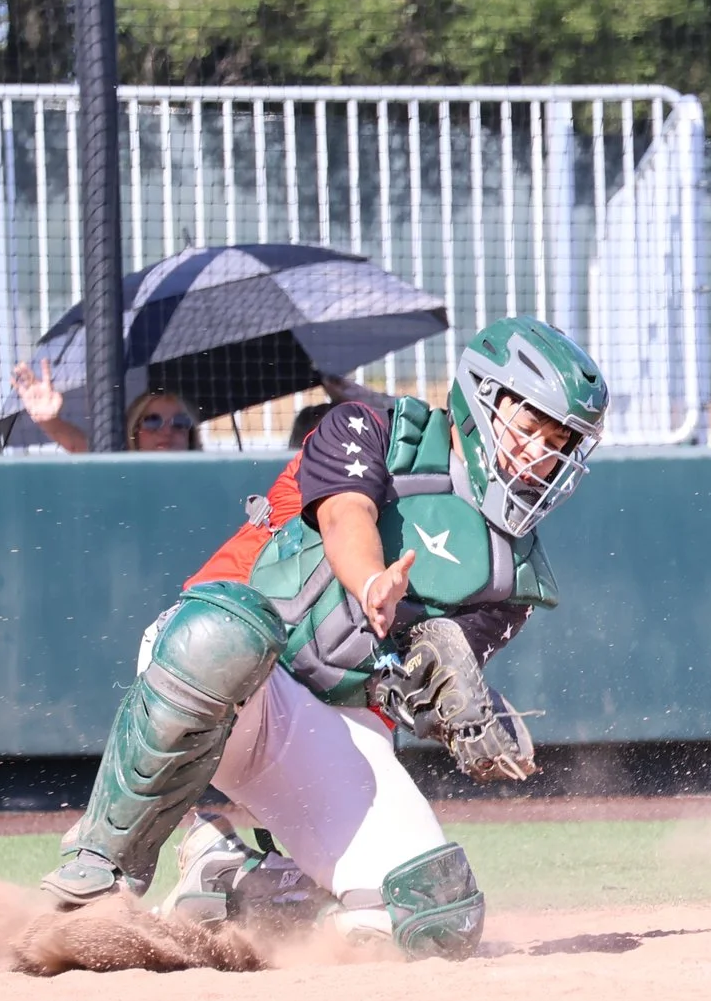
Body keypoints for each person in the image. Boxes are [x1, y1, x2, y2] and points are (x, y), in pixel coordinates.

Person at [35, 316, 606, 958]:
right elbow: (345, 514)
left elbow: (420, 678)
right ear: (482, 399)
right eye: (529, 429)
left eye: (559, 443)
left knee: (435, 919)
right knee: (225, 639)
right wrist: (369, 585)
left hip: (329, 723)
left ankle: (249, 891)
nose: (541, 455)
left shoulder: (511, 576)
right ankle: (98, 871)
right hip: (224, 667)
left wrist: (459, 702)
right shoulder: (371, 430)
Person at [9, 363, 202, 453]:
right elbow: (80, 447)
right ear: (133, 432)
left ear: (190, 435)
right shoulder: (122, 474)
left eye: (180, 422)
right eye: (153, 421)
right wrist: (50, 422)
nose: (167, 431)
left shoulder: (209, 481)